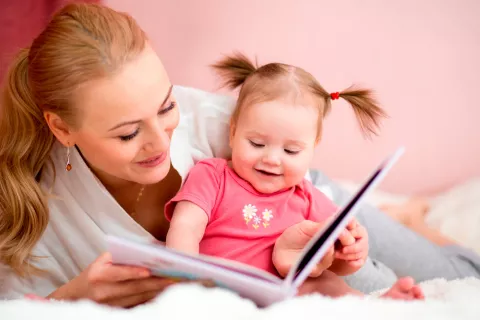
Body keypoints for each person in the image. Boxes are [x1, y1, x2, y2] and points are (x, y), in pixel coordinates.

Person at [0, 2, 425, 306]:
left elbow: (288, 167)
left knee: (450, 269)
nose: (161, 142)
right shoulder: (35, 209)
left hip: (308, 203)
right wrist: (73, 297)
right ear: (62, 128)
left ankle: (412, 217)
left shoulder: (213, 120)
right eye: (128, 133)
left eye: (166, 106)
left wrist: (356, 269)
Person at [165, 53, 380, 279]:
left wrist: (352, 253)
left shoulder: (308, 198)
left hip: (280, 295)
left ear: (312, 147)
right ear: (233, 132)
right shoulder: (213, 177)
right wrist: (184, 278)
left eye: (290, 151)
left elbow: (336, 267)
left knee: (330, 285)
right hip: (218, 287)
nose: (272, 159)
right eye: (257, 144)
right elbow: (185, 228)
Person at [308, 170, 480, 293]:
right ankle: (395, 219)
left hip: (316, 192)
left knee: (470, 274)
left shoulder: (317, 198)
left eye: (291, 150)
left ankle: (412, 220)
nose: (278, 160)